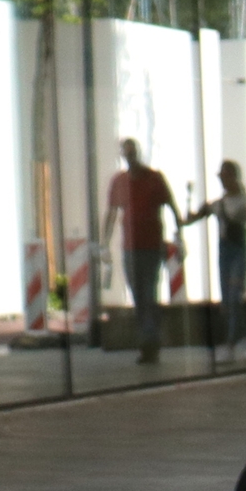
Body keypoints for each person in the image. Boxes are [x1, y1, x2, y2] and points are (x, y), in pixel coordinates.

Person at [101, 138, 177, 364]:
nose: (130, 158)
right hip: (131, 247)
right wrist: (105, 243)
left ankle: (150, 340)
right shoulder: (120, 181)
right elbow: (112, 213)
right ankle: (149, 337)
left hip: (151, 245)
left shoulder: (154, 178)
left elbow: (170, 204)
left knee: (148, 292)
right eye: (127, 154)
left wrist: (177, 233)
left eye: (133, 153)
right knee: (139, 294)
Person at [185, 159, 246, 361]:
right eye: (221, 177)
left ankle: (231, 342)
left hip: (239, 250)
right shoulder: (218, 204)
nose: (224, 181)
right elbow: (193, 218)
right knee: (228, 300)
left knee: (235, 296)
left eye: (226, 176)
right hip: (224, 252)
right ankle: (244, 338)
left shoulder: (242, 200)